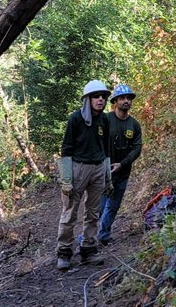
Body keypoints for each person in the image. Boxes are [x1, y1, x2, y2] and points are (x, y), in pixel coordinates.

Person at [57, 80, 111, 270]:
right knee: (70, 211)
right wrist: (66, 179)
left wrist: (108, 177)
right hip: (78, 168)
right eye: (96, 96)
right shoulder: (76, 119)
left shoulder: (104, 120)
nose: (100, 99)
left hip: (97, 169)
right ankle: (64, 252)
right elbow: (66, 148)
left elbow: (106, 149)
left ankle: (88, 250)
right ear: (87, 99)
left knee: (93, 212)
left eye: (103, 96)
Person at [97, 83, 143, 246]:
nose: (126, 101)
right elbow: (97, 142)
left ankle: (103, 235)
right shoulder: (105, 119)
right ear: (115, 101)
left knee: (113, 207)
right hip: (104, 172)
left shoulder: (134, 125)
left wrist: (122, 164)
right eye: (122, 98)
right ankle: (86, 239)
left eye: (128, 98)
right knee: (98, 208)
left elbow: (137, 149)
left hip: (123, 172)